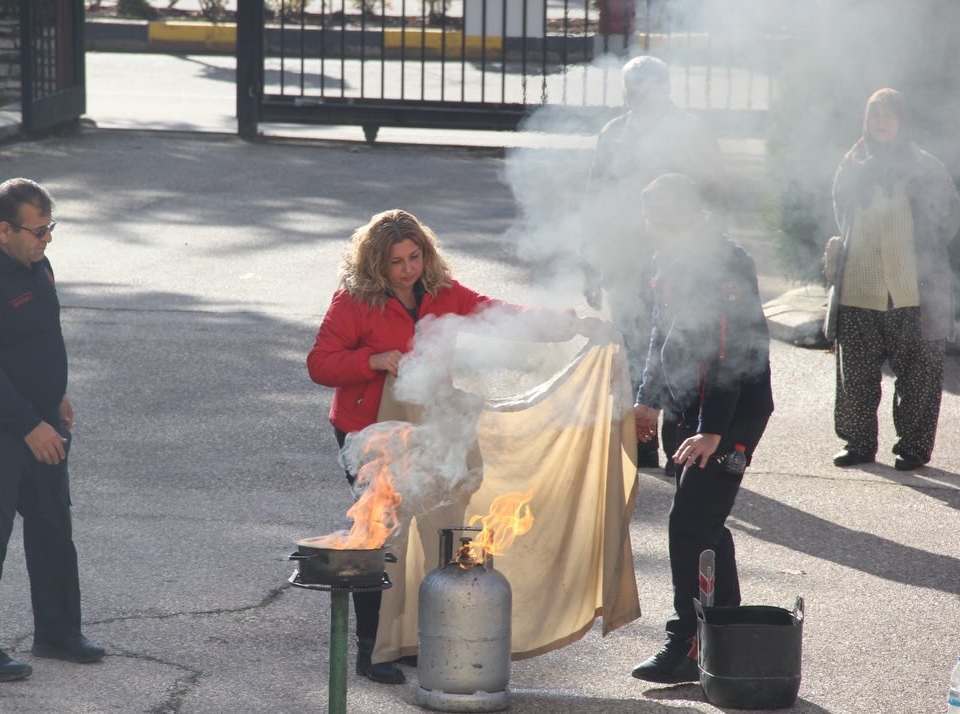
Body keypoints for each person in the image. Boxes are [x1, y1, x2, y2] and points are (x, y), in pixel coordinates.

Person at [307, 208, 602, 684]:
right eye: (396, 261)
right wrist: (373, 359)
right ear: (374, 263)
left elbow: (499, 314)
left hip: (432, 424)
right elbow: (320, 364)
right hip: (367, 431)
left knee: (436, 532)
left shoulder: (443, 292)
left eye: (414, 256)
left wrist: (568, 323)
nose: (408, 269)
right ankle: (372, 651)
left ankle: (410, 643)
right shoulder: (353, 300)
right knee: (382, 537)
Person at [0, 178, 105, 682]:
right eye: (39, 230)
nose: (47, 239)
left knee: (53, 531)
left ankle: (57, 631)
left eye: (50, 228)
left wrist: (53, 397)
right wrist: (30, 423)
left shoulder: (36, 266)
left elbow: (38, 340)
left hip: (42, 426)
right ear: (5, 229)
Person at [629, 174, 773, 684]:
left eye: (663, 219)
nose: (655, 230)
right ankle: (724, 633)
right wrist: (647, 400)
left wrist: (713, 430)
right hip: (688, 410)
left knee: (689, 523)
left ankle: (686, 641)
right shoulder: (668, 257)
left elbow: (726, 349)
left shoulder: (725, 262)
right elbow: (658, 332)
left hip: (731, 414)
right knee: (704, 523)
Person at [582, 54, 725, 474]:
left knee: (677, 350)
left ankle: (679, 445)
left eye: (644, 88)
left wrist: (709, 257)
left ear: (664, 88)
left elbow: (716, 197)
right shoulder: (614, 133)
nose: (635, 98)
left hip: (682, 263)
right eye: (630, 91)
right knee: (629, 352)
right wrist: (590, 263)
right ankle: (636, 441)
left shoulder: (692, 133)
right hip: (626, 263)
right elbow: (597, 200)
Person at [825, 88, 960, 471]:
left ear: (902, 121)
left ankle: (913, 447)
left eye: (887, 116)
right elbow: (841, 210)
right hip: (858, 288)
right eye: (874, 116)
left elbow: (949, 214)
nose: (880, 123)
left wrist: (923, 250)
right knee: (855, 376)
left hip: (914, 289)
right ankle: (858, 443)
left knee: (918, 377)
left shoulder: (924, 166)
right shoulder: (851, 163)